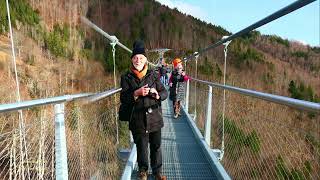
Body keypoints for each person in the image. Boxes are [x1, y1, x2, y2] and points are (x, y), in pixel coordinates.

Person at [120, 40, 167, 180]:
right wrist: (136, 93)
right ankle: (143, 171)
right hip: (138, 119)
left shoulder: (153, 75)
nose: (138, 60)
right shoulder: (126, 77)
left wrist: (157, 95)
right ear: (132, 60)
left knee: (156, 145)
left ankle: (157, 172)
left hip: (155, 117)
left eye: (140, 57)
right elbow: (124, 98)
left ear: (145, 59)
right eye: (135, 57)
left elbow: (164, 92)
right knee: (141, 147)